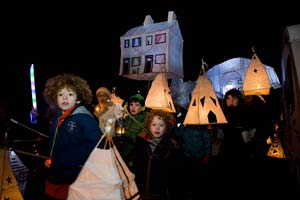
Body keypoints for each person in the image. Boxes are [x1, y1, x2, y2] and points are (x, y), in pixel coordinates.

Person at [43, 73, 103, 200]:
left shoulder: (84, 118)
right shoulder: (58, 117)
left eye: (70, 94)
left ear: (78, 99)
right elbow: (54, 142)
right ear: (55, 98)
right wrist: (50, 158)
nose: (65, 98)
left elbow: (98, 145)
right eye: (60, 94)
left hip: (73, 178)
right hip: (55, 175)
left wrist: (69, 161)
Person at [133, 109, 178, 200]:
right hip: (140, 189)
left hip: (159, 191)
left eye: (161, 125)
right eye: (154, 124)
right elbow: (136, 165)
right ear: (149, 126)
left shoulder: (170, 146)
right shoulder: (141, 142)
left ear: (167, 127)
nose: (157, 128)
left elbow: (172, 173)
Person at [118, 93, 148, 169]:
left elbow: (140, 139)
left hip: (134, 155)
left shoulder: (145, 120)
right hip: (122, 152)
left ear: (142, 107)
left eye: (137, 105)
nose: (133, 107)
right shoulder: (126, 119)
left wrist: (125, 133)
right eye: (131, 104)